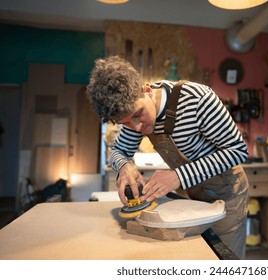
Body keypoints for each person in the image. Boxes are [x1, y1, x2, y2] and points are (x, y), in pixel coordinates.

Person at [86, 55, 250, 259]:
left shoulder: (198, 99)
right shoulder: (131, 112)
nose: (136, 127)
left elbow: (237, 150)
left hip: (227, 195)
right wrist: (124, 166)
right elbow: (118, 153)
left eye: (138, 115)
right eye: (126, 123)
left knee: (222, 261)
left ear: (146, 89)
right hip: (194, 197)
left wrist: (178, 176)